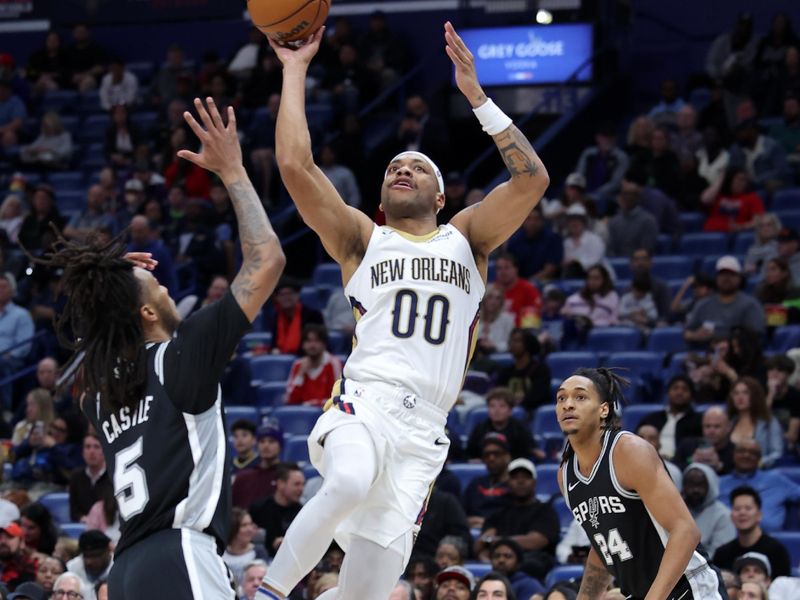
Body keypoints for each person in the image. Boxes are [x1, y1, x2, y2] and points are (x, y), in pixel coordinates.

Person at [256, 22, 549, 600]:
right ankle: (266, 593)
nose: (401, 168)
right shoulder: (363, 239)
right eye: (393, 166)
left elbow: (533, 179)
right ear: (381, 195)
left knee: (366, 590)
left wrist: (477, 97)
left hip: (425, 432)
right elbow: (295, 166)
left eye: (417, 166)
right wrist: (294, 70)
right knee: (345, 481)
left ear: (441, 197)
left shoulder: (468, 237)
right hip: (367, 399)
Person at [32, 97, 285, 600]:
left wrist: (109, 289)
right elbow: (267, 258)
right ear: (147, 314)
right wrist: (233, 170)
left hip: (126, 572)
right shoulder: (179, 357)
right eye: (157, 290)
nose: (168, 289)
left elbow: (96, 339)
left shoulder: (100, 395)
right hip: (179, 555)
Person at [556, 368, 724, 599]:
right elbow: (603, 543)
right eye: (561, 398)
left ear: (604, 409)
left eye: (580, 397)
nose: (568, 404)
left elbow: (686, 531)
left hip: (688, 589)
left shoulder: (629, 451)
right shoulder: (566, 475)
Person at [475, 458, 560, 579]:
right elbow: (481, 542)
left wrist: (496, 540)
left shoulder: (545, 511)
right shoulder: (499, 514)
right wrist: (485, 549)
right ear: (508, 482)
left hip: (534, 568)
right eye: (515, 477)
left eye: (526, 477)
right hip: (501, 565)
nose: (520, 481)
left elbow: (535, 542)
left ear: (534, 482)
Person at [718, 439, 800, 532]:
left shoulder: (776, 479)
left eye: (753, 453)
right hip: (727, 540)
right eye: (741, 451)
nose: (746, 455)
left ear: (759, 458)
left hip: (771, 541)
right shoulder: (719, 483)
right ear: (733, 455)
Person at [684, 256, 766, 347]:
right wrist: (695, 335)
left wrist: (723, 341)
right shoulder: (703, 304)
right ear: (716, 278)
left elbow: (755, 337)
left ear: (739, 278)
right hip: (705, 353)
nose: (726, 278)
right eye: (722, 274)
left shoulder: (751, 305)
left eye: (731, 274)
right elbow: (687, 332)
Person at [712, 486, 791, 578]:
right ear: (731, 516)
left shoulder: (777, 551)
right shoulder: (722, 554)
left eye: (748, 508)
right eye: (737, 509)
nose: (742, 513)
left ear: (759, 515)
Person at [639, 375, 703, 460]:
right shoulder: (652, 418)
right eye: (675, 388)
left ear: (691, 395)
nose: (679, 392)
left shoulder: (698, 421)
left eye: (685, 389)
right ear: (668, 392)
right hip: (650, 459)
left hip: (680, 464)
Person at [250, 464, 305, 557]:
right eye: (297, 484)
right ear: (280, 484)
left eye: (303, 484)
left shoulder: (302, 512)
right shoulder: (258, 508)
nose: (301, 489)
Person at [681, 463, 737, 557]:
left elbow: (721, 554)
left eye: (700, 484)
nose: (695, 490)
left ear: (710, 486)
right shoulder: (677, 510)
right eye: (691, 484)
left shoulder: (723, 515)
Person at [727, 378, 784, 468]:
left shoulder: (769, 422)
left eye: (745, 393)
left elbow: (777, 453)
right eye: (736, 393)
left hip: (760, 472)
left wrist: (760, 463)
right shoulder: (729, 421)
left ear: (755, 396)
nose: (740, 397)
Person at [466, 388, 533, 460]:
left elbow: (526, 455)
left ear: (510, 410)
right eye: (492, 406)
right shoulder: (480, 429)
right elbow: (470, 453)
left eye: (502, 406)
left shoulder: (520, 430)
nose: (496, 410)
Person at [285, 324, 343, 407]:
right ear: (303, 345)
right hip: (303, 416)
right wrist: (300, 375)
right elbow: (290, 400)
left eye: (316, 341)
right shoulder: (298, 365)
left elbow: (338, 397)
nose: (312, 345)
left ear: (324, 344)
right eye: (308, 341)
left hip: (327, 414)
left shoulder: (334, 363)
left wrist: (311, 404)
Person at [464, 433, 513, 529]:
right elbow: (460, 514)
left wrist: (488, 523)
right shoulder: (475, 484)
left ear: (507, 456)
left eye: (496, 454)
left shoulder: (515, 485)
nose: (491, 458)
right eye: (487, 455)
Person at [495, 330, 551, 413]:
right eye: (511, 341)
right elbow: (498, 394)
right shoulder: (505, 372)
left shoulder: (540, 370)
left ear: (527, 344)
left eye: (517, 341)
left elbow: (540, 395)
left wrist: (521, 402)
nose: (512, 344)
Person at [232, 422, 284, 510]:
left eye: (271, 441)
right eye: (262, 441)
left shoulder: (287, 474)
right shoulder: (243, 477)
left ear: (280, 446)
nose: (266, 446)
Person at [68, 433, 113, 523]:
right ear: (82, 451)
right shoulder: (76, 476)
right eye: (87, 447)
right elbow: (74, 511)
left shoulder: (112, 476)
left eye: (96, 447)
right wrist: (85, 519)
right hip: (83, 525)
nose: (91, 452)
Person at [223, 508, 270, 589]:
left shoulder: (259, 551)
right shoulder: (222, 553)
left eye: (250, 524)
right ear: (233, 528)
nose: (250, 529)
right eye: (244, 525)